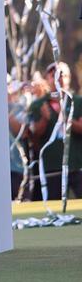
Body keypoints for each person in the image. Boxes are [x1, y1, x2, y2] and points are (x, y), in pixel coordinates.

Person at [27, 62, 82, 200]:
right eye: (54, 76)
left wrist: (65, 118)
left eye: (62, 75)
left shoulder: (78, 101)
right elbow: (33, 138)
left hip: (76, 165)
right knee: (54, 206)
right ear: (47, 79)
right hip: (52, 166)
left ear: (69, 77)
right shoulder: (38, 105)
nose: (59, 79)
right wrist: (44, 120)